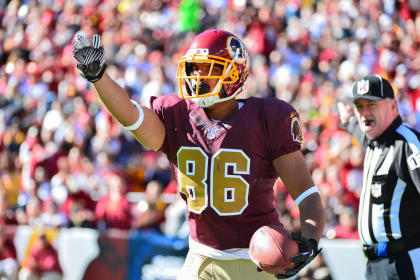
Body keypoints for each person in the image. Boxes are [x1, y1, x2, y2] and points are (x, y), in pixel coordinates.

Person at [72, 29, 325, 280]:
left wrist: (310, 242)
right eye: (194, 68)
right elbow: (131, 116)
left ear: (233, 74)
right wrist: (99, 78)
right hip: (200, 259)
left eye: (208, 69)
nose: (196, 76)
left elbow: (306, 194)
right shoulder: (177, 116)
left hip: (256, 263)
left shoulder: (267, 118)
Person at [338, 75, 420, 280]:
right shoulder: (376, 141)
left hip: (404, 263)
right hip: (377, 265)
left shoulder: (408, 146)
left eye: (372, 105)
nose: (364, 113)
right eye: (359, 106)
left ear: (393, 106)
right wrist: (348, 120)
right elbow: (361, 131)